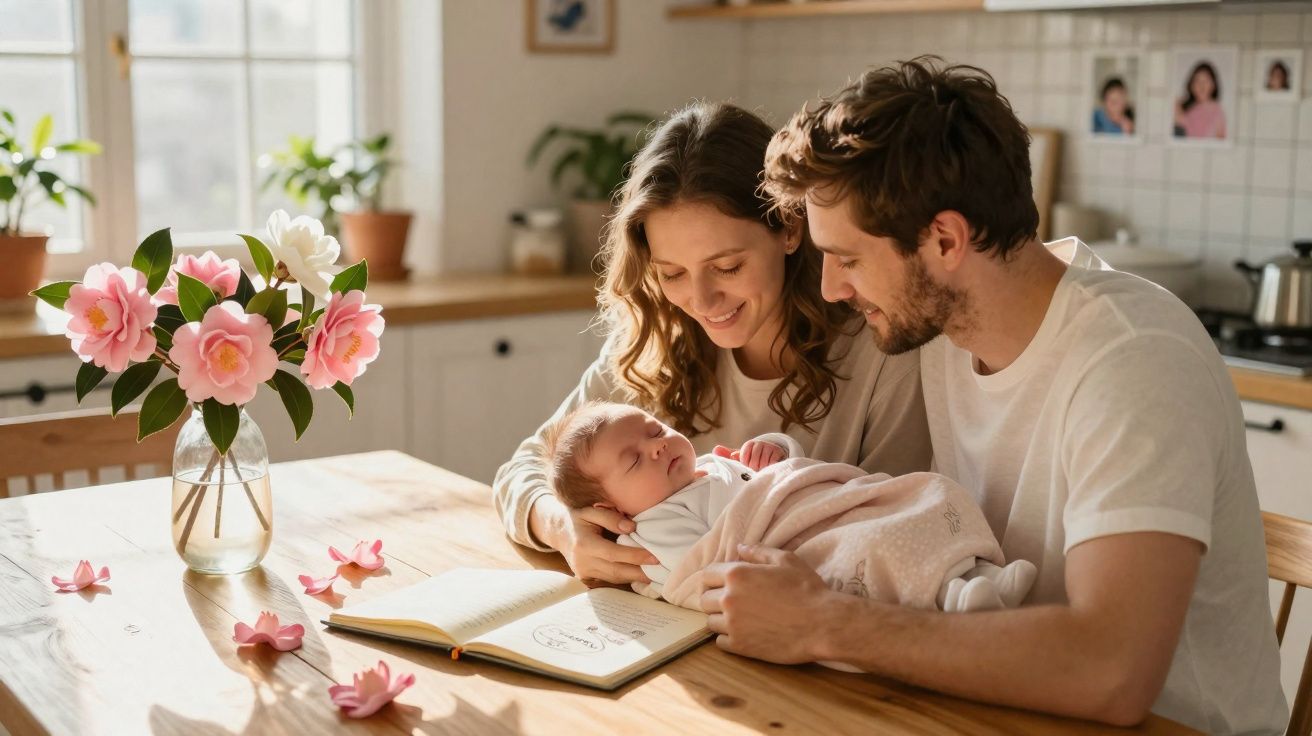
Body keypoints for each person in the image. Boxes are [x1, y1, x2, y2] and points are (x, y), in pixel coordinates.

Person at [700, 57, 1286, 734]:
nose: (832, 289)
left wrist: (826, 624)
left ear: (945, 239)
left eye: (849, 259)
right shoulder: (942, 333)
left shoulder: (1133, 361)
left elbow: (1112, 671)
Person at [493, 102, 932, 586]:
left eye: (727, 267)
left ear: (788, 228)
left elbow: (899, 526)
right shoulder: (652, 342)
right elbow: (526, 466)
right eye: (672, 274)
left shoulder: (879, 350)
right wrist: (563, 529)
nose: (701, 301)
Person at [541, 400, 1034, 611]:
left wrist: (774, 452)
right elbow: (698, 568)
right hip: (796, 544)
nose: (657, 447)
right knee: (871, 547)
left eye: (654, 430)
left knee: (914, 498)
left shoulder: (708, 464)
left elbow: (777, 476)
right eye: (634, 461)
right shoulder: (653, 526)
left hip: (822, 504)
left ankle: (980, 573)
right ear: (610, 507)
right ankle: (954, 597)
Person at [1174, 61, 1226, 139]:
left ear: (1213, 85)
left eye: (1206, 81)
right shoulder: (1182, 106)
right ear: (1191, 85)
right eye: (1197, 81)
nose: (1201, 86)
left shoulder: (1217, 111)